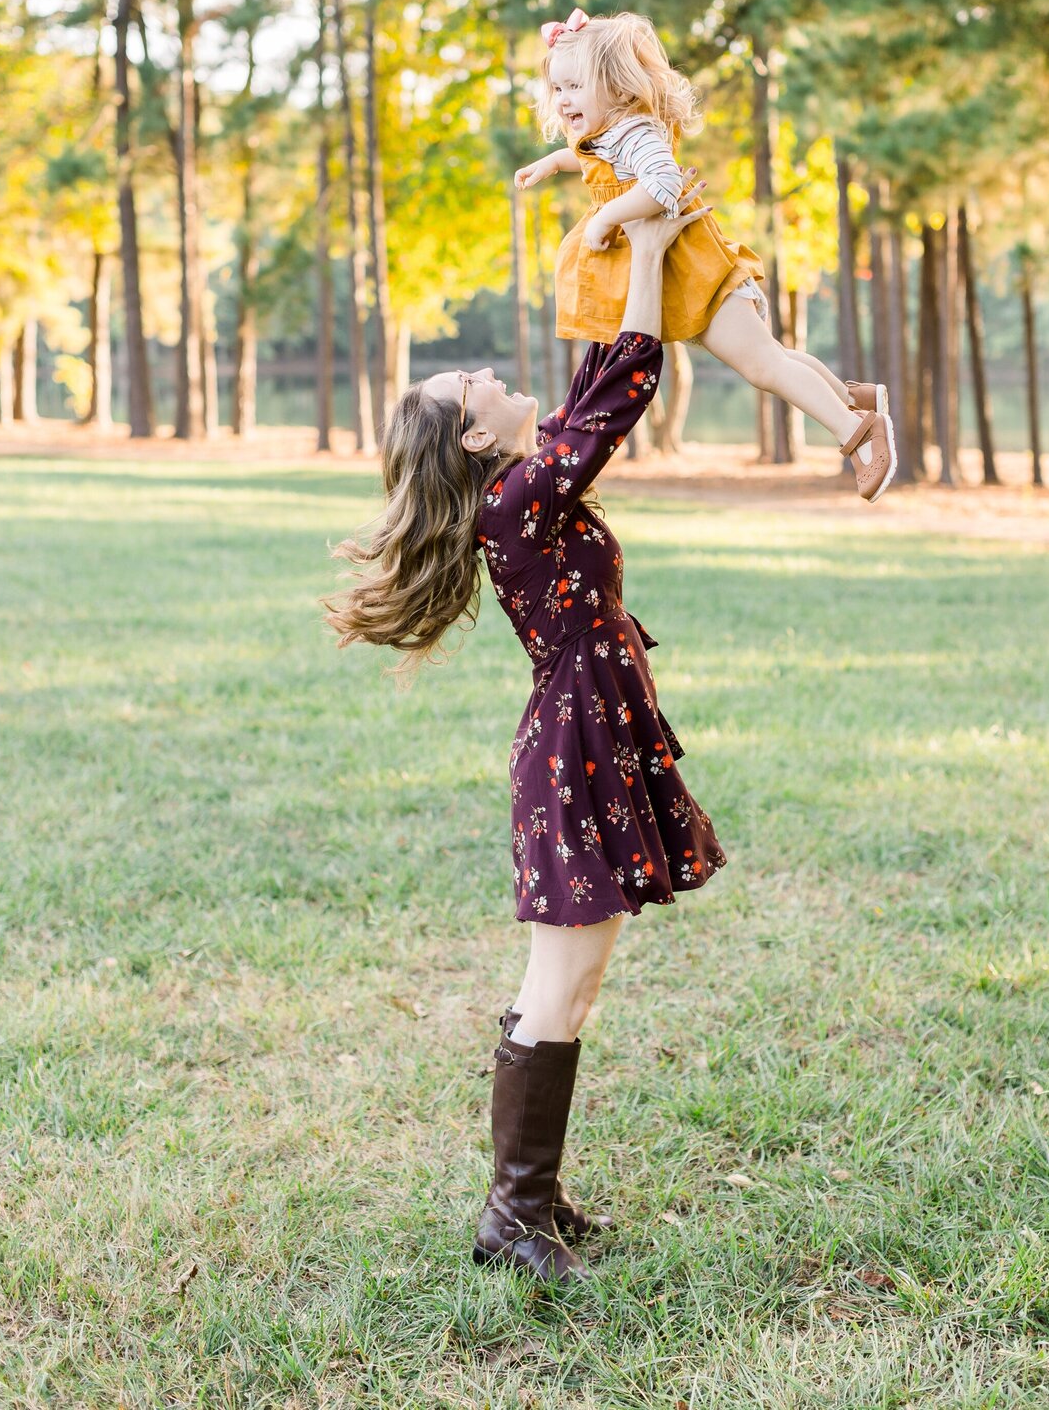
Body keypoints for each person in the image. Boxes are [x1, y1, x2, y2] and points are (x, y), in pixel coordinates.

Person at [326, 194, 722, 1282]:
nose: (496, 375)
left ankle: (533, 1205)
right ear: (473, 434)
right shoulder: (516, 503)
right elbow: (630, 380)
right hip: (574, 749)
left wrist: (614, 245)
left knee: (578, 978)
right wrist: (642, 248)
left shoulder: (522, 480)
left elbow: (601, 376)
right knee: (563, 978)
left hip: (587, 733)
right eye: (477, 388)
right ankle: (512, 1220)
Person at [515, 7, 897, 502]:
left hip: (700, 275)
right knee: (769, 357)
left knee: (763, 367)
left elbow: (664, 182)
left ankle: (858, 432)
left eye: (574, 87)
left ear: (618, 87)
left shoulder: (637, 132)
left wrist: (608, 218)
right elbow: (592, 160)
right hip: (688, 278)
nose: (563, 100)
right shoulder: (612, 134)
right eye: (558, 89)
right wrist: (551, 162)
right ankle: (853, 399)